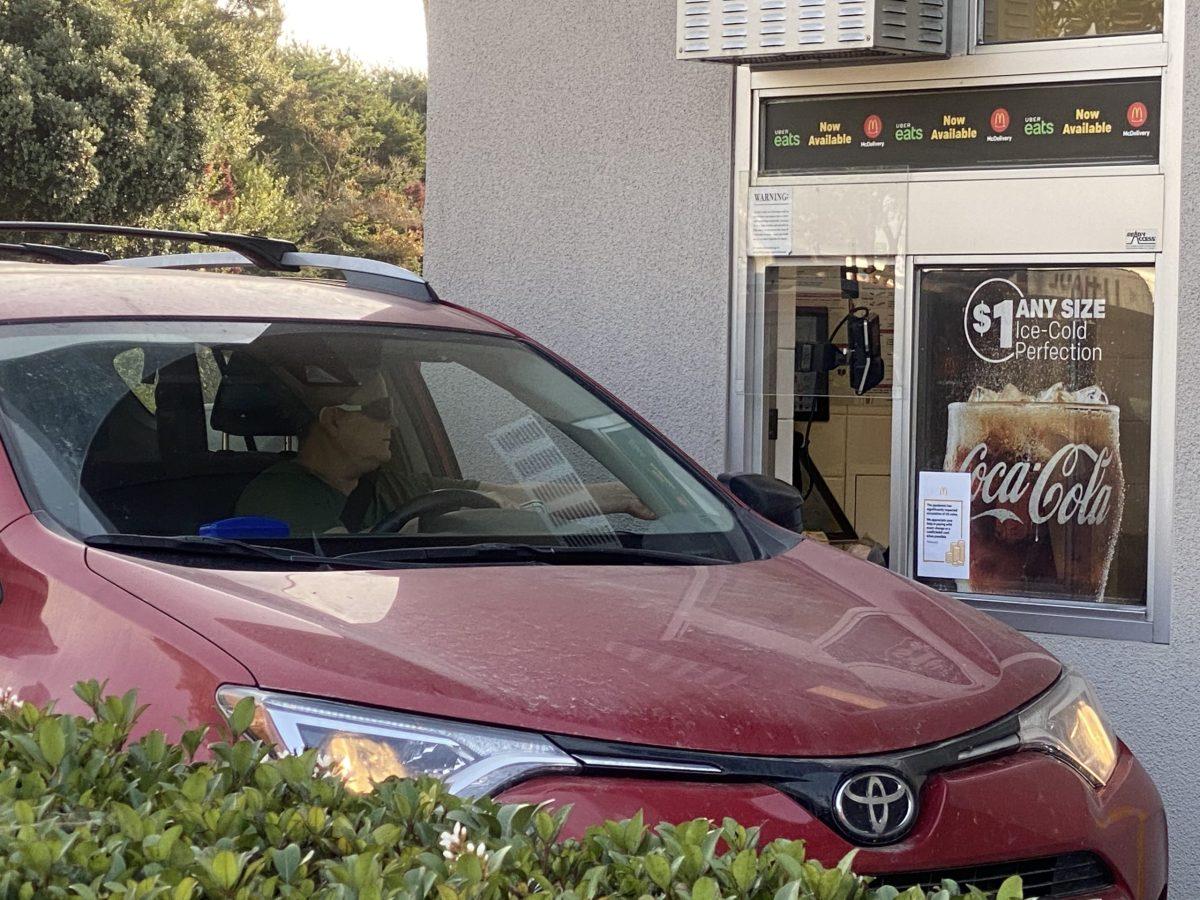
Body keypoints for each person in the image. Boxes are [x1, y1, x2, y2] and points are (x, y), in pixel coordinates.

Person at [235, 369, 652, 535]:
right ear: (334, 420)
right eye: (380, 411)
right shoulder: (279, 498)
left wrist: (627, 495)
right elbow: (333, 580)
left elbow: (505, 495)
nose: (393, 424)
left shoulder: (397, 485)